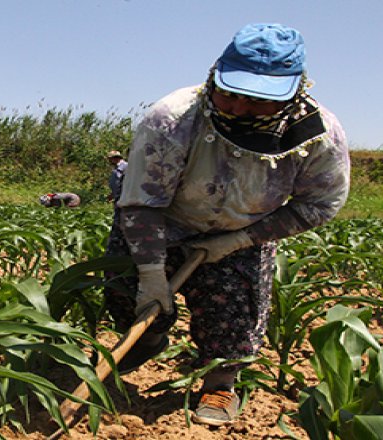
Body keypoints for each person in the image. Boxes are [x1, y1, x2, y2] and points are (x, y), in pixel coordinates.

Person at [103, 23, 349, 426]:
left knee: (232, 312)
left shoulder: (317, 136)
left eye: (257, 101)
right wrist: (150, 273)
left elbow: (319, 204)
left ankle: (220, 384)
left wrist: (239, 240)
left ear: (294, 94)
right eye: (230, 94)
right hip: (162, 222)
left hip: (242, 232)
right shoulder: (173, 119)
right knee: (129, 292)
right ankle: (148, 340)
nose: (238, 108)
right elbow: (141, 202)